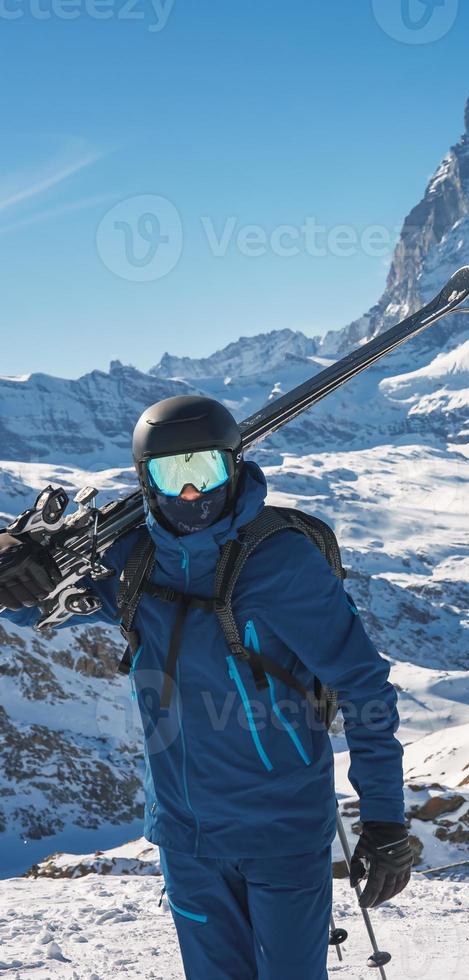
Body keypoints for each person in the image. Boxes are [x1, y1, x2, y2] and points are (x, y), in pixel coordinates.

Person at [0, 395, 412, 980]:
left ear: (234, 466)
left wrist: (386, 818)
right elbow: (32, 605)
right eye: (173, 474)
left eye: (205, 470)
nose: (190, 493)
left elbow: (364, 686)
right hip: (186, 838)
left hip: (284, 833)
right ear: (147, 479)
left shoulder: (282, 561)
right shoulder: (129, 560)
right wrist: (11, 562)